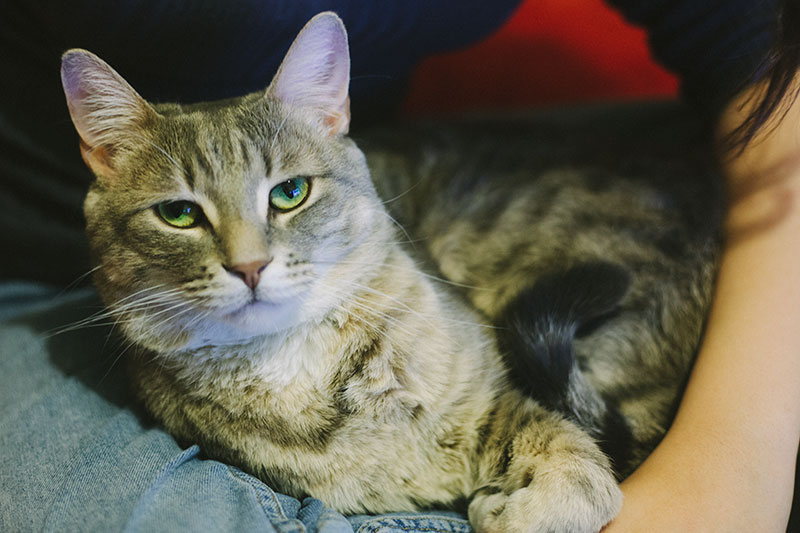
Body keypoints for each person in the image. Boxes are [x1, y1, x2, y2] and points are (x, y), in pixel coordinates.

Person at [0, 1, 796, 531]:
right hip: (33, 278)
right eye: (184, 214)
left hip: (357, 205)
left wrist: (731, 467)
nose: (247, 260)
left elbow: (754, 49)